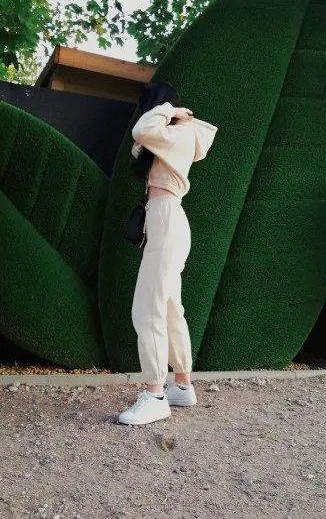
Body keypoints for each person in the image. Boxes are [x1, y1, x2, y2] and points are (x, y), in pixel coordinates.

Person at [118, 81, 218, 426]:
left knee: (147, 308)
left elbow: (141, 130)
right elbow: (140, 143)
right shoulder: (171, 136)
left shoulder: (180, 133)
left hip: (167, 218)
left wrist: (169, 111)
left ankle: (155, 395)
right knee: (171, 308)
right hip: (164, 220)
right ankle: (182, 386)